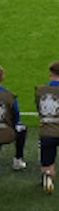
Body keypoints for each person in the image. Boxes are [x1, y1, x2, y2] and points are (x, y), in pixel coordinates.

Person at [35, 61, 59, 194]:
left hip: (47, 131)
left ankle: (47, 175)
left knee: (47, 161)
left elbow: (40, 109)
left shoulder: (40, 90)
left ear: (50, 74)